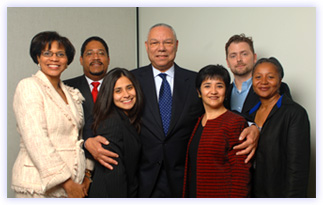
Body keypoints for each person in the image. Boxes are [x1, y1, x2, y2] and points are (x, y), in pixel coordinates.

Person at [86, 23, 259, 198]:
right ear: (146, 46)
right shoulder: (131, 81)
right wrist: (87, 141)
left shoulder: (195, 81)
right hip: (142, 182)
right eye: (154, 43)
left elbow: (221, 111)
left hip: (183, 181)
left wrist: (253, 127)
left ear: (176, 45)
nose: (161, 48)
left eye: (167, 42)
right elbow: (101, 112)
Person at [11, 31, 90, 198]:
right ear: (38, 58)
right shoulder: (28, 86)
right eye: (47, 53)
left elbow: (79, 138)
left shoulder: (72, 93)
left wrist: (86, 175)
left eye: (60, 54)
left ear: (67, 61)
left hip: (74, 183)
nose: (54, 58)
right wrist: (67, 183)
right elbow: (36, 139)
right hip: (37, 185)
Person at [182, 65, 251, 198]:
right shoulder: (198, 121)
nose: (213, 91)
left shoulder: (234, 123)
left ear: (226, 91)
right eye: (207, 86)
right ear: (199, 92)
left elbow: (241, 175)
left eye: (219, 86)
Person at [249, 58, 310, 197]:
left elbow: (298, 168)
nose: (263, 82)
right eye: (258, 77)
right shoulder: (249, 115)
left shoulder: (294, 113)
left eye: (270, 77)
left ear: (280, 80)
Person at [85, 68, 144, 197]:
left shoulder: (126, 119)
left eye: (129, 88)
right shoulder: (111, 122)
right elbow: (114, 174)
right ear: (109, 95)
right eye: (118, 91)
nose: (126, 94)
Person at [64, 36, 119, 170]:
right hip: (76, 167)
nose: (96, 57)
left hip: (114, 165)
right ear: (81, 60)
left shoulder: (121, 88)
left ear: (108, 59)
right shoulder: (66, 88)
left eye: (101, 53)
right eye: (90, 53)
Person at [224, 34, 292, 119]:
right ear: (227, 62)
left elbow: (285, 121)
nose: (239, 59)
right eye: (233, 56)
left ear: (254, 58)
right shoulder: (222, 92)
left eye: (244, 54)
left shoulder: (277, 88)